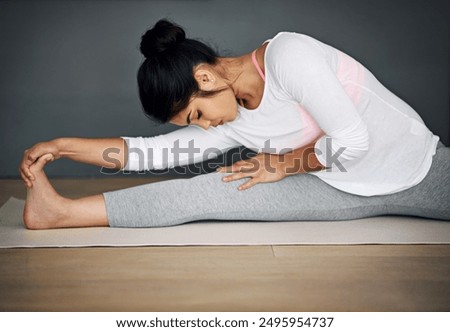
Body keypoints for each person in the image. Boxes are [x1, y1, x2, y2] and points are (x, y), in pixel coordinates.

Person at [20, 19, 450, 229]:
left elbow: (353, 141)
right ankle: (61, 213)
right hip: (334, 184)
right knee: (204, 189)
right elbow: (154, 152)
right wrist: (62, 145)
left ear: (204, 79)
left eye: (195, 116)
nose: (202, 128)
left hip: (417, 167)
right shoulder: (228, 115)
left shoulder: (289, 57)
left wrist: (281, 165)